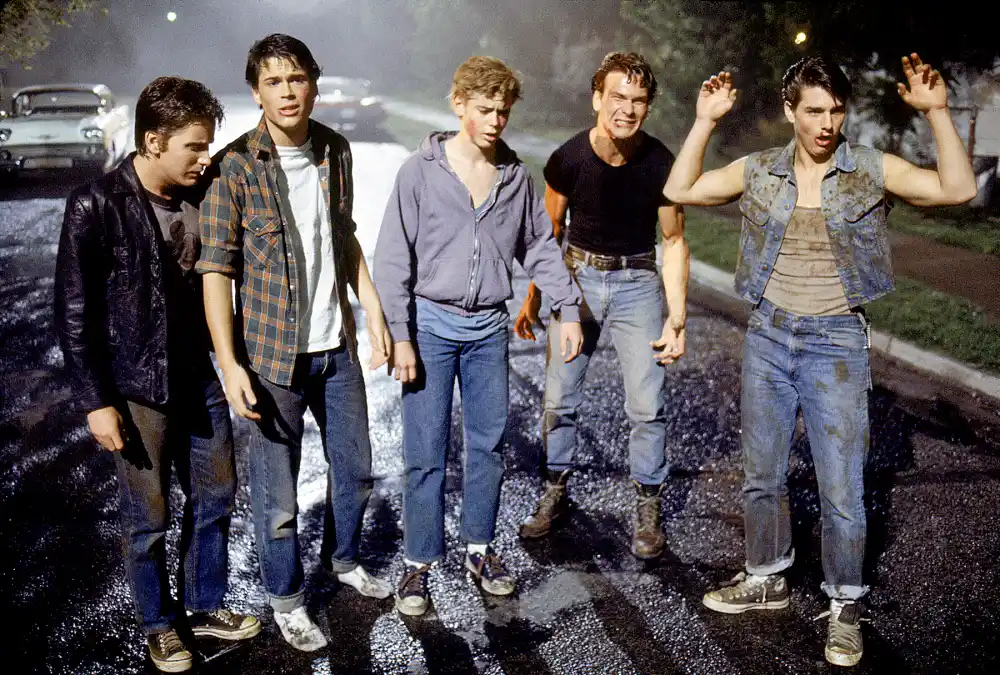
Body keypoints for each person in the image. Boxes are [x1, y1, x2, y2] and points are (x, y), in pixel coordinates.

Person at [664, 53, 977, 667]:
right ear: (791, 112)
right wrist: (704, 122)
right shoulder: (760, 171)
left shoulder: (869, 170)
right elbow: (679, 190)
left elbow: (957, 190)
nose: (827, 122)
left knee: (841, 487)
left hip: (835, 341)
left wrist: (938, 112)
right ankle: (767, 576)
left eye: (836, 110)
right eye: (814, 111)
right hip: (769, 337)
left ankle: (845, 606)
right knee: (763, 474)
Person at [54, 76, 260, 673]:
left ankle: (203, 608)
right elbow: (73, 312)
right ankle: (158, 625)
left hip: (200, 377)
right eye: (194, 146)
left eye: (209, 145)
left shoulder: (208, 192)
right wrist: (96, 400)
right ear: (152, 140)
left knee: (216, 495)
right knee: (148, 517)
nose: (205, 158)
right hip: (137, 384)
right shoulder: (96, 203)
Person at [197, 34, 393, 652]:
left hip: (335, 348)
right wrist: (229, 362)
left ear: (314, 82)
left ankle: (342, 559)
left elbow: (345, 236)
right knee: (278, 492)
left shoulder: (334, 150)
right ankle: (285, 599)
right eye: (274, 82)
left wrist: (376, 311)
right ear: (257, 91)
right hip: (272, 355)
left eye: (297, 79)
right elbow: (215, 269)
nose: (288, 91)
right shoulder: (234, 166)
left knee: (356, 472)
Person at [373, 55, 584, 617]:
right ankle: (419, 564)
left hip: (488, 326)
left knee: (487, 445)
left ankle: (479, 549)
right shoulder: (420, 172)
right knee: (425, 452)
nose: (494, 121)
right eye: (484, 109)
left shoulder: (515, 176)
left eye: (503, 112)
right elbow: (392, 257)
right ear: (459, 103)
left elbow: (539, 245)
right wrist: (399, 334)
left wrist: (565, 307)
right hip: (430, 325)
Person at [514, 52, 688, 560]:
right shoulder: (568, 158)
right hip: (577, 280)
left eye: (638, 101)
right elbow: (547, 235)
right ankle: (555, 492)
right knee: (559, 397)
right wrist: (534, 298)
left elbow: (674, 241)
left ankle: (648, 506)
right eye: (617, 97)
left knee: (647, 404)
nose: (627, 109)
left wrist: (677, 317)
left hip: (637, 279)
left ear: (648, 107)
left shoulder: (660, 163)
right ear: (597, 99)